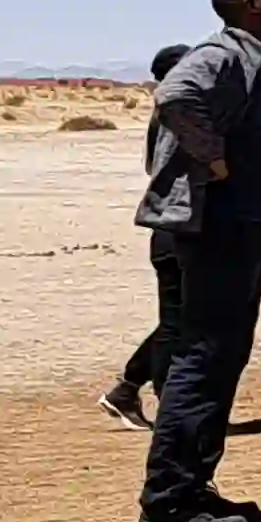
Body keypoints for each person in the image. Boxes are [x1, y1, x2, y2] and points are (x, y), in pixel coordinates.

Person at [133, 0, 261, 522]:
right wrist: (216, 162)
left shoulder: (245, 56)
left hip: (235, 223)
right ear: (252, 5)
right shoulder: (223, 53)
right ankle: (169, 505)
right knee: (204, 358)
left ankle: (191, 489)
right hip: (220, 224)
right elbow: (176, 96)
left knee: (220, 358)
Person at [101, 41, 192, 425]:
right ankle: (160, 402)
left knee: (183, 318)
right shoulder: (179, 116)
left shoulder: (166, 116)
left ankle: (130, 389)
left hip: (172, 225)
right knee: (179, 321)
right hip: (179, 226)